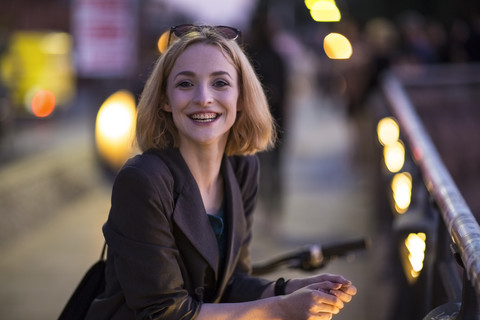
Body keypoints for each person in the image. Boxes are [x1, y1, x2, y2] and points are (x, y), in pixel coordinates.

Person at [85, 24, 356, 320]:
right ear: (165, 99)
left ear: (241, 97)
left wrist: (289, 288)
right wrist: (281, 309)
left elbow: (231, 283)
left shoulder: (242, 168)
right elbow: (162, 312)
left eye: (220, 83)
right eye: (185, 84)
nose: (203, 97)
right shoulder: (143, 181)